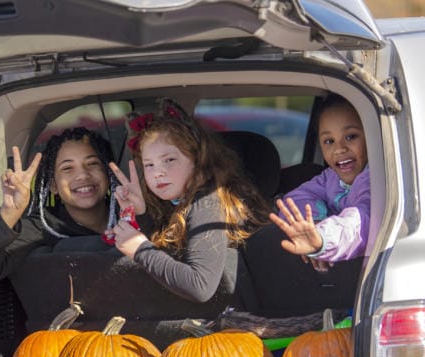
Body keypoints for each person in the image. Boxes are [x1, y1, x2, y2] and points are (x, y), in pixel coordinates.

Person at [106, 99, 271, 303]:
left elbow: (199, 286)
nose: (158, 172)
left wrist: (141, 250)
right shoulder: (176, 203)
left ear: (197, 160)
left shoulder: (208, 204)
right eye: (149, 165)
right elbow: (170, 258)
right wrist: (141, 214)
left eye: (169, 160)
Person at [0, 127, 119, 284]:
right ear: (53, 185)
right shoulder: (42, 228)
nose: (83, 175)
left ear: (108, 173)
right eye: (67, 168)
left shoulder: (130, 213)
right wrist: (10, 214)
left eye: (92, 163)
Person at [269, 94, 370, 273]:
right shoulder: (329, 177)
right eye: (329, 141)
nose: (339, 149)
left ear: (371, 137)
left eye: (351, 136)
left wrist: (322, 238)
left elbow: (359, 224)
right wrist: (314, 222)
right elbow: (297, 197)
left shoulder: (374, 182)